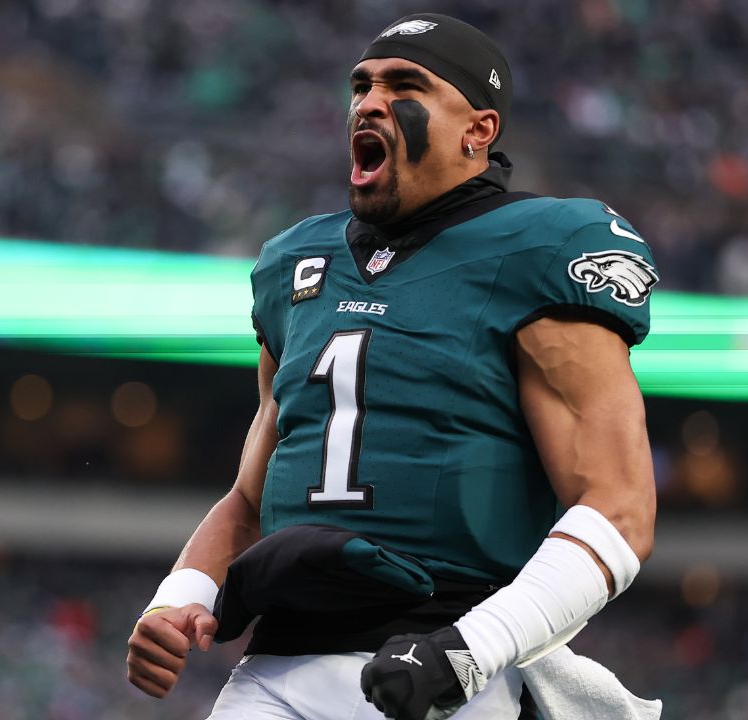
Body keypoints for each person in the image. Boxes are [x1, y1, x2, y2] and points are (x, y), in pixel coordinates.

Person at [126, 13, 658, 720]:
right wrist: (178, 602)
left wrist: (467, 650)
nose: (369, 102)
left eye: (405, 84)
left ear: (479, 129)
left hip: (445, 667)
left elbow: (619, 509)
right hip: (276, 662)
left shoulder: (541, 247)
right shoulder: (295, 262)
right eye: (361, 86)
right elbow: (250, 502)